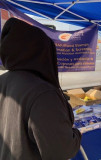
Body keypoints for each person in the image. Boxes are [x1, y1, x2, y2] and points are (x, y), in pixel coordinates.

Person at [0, 18, 81, 160]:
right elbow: (62, 151)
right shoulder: (43, 93)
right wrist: (77, 134)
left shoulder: (3, 80)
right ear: (41, 53)